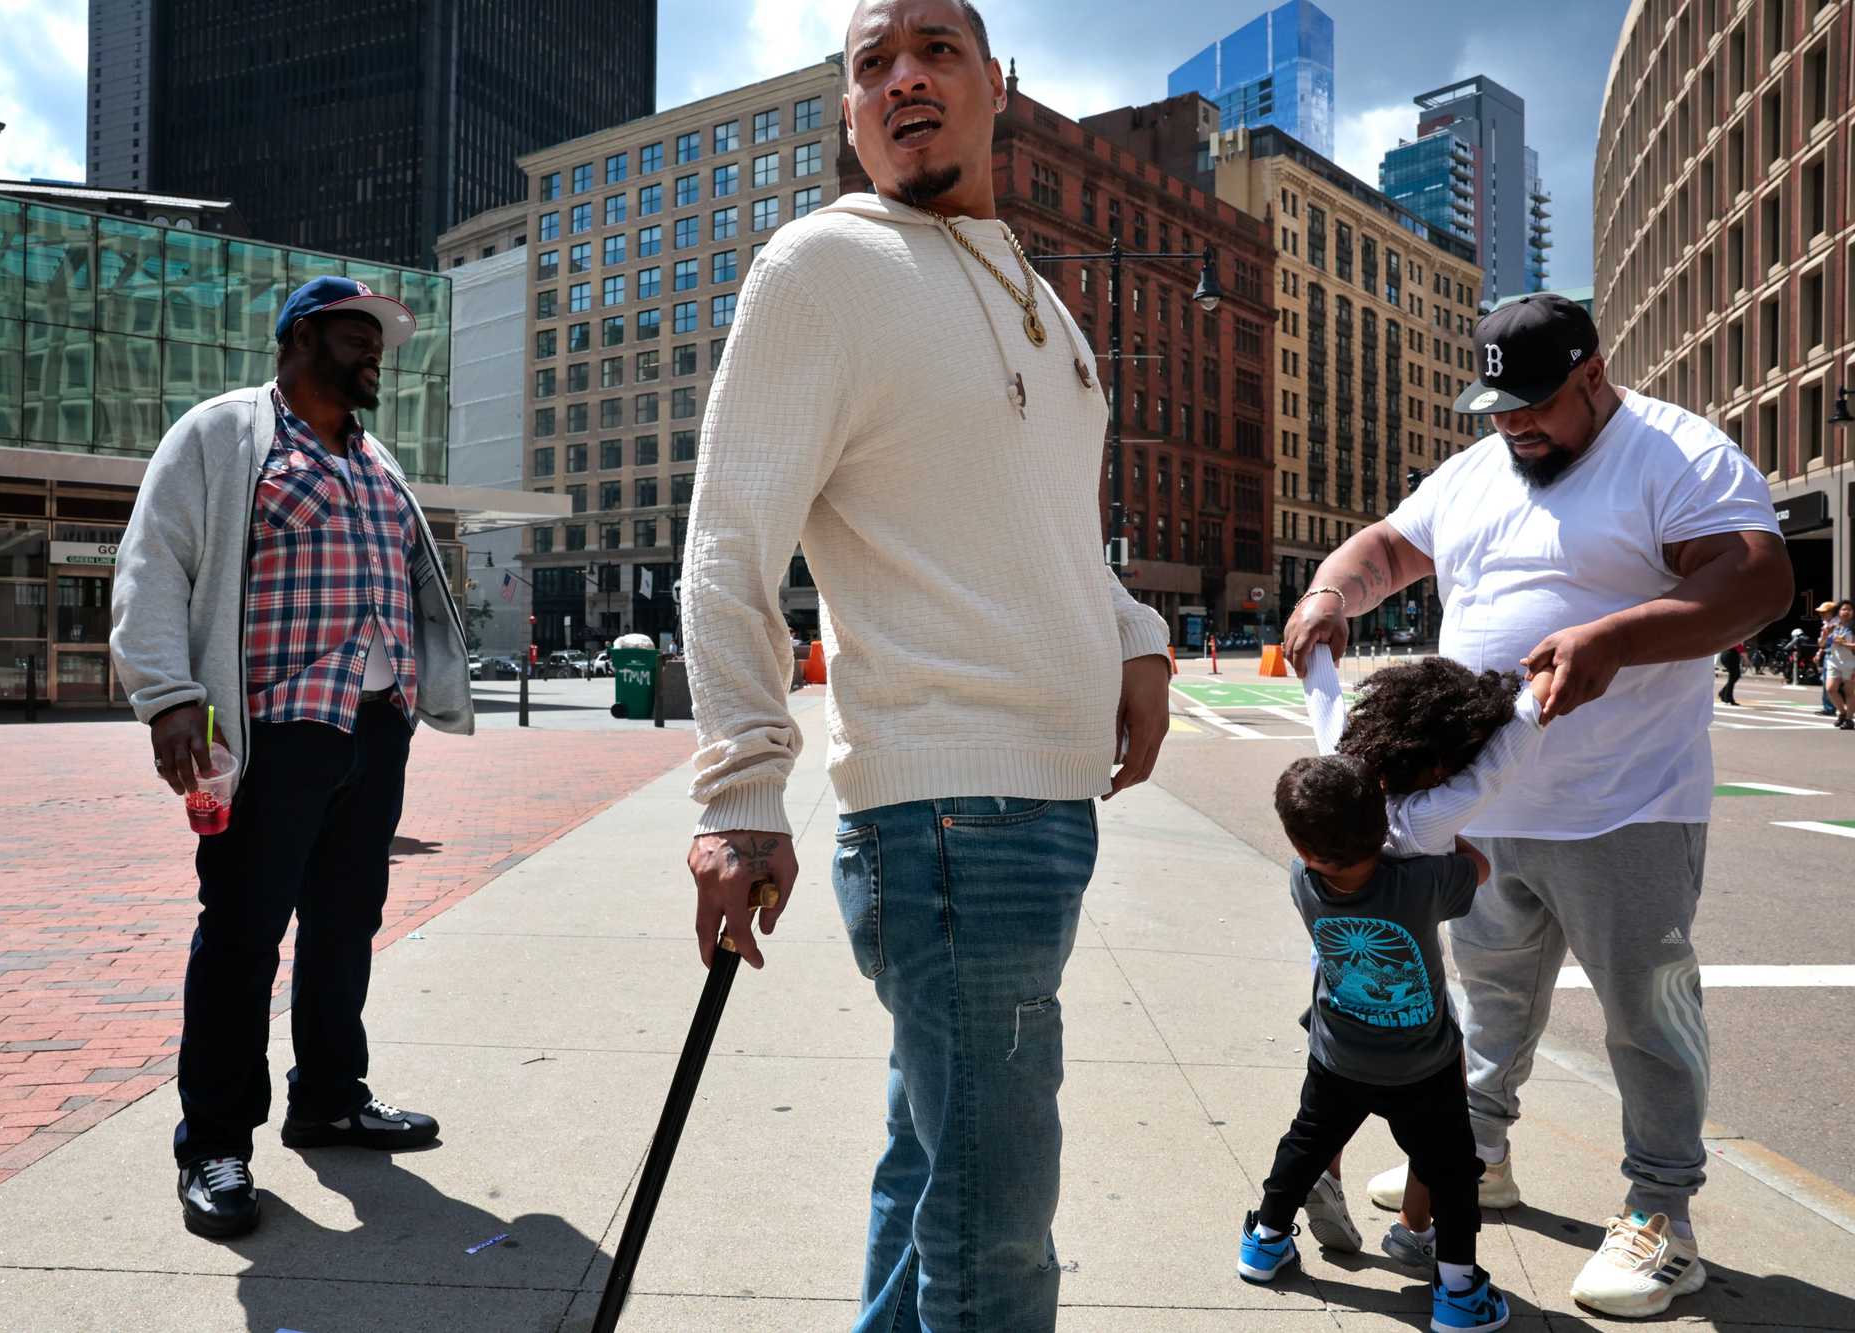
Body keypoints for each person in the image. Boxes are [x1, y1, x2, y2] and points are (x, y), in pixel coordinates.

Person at [679, 3, 1172, 1327]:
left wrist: (1137, 635)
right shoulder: (821, 274)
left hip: (1036, 808)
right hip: (952, 821)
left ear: (996, 84)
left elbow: (1051, 524)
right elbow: (727, 550)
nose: (903, 80)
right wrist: (738, 794)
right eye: (870, 64)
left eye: (934, 50)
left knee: (937, 1185)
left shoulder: (1034, 293)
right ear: (848, 114)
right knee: (996, 1239)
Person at [1283, 293, 1789, 1318]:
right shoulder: (1476, 470)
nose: (1513, 426)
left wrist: (1615, 636)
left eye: (1534, 405)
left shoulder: (1675, 454)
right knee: (1488, 996)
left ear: (1591, 374)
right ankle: (1473, 1154)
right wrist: (1332, 591)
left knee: (1644, 1011)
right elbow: (1385, 548)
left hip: (1624, 803)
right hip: (1478, 806)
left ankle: (1660, 1215)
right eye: (1495, 407)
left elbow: (1755, 581)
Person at [111, 277, 475, 1240]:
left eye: (380, 341)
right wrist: (170, 697)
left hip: (372, 726)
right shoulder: (224, 434)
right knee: (240, 933)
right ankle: (216, 1143)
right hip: (270, 728)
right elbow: (153, 562)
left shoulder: (377, 461)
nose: (375, 354)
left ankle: (329, 1096)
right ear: (301, 339)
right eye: (359, 337)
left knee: (346, 924)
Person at [1296, 650, 1552, 1269]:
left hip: (1333, 980)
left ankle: (1321, 1172)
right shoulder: (1423, 821)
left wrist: (1318, 647)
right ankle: (1415, 1230)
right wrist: (1540, 694)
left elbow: (1327, 704)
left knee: (1327, 1089)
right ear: (1440, 762)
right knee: (1442, 1117)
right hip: (1406, 998)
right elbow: (1495, 767)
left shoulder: (1345, 771)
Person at [1241, 754, 1511, 1333]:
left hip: (1337, 1054)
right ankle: (1459, 1293)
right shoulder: (1420, 883)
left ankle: (1264, 1243)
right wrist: (1434, 832)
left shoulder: (1299, 877)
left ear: (1302, 844)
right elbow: (1480, 869)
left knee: (1304, 1146)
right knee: (1451, 1173)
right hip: (1424, 1067)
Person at [1822, 601, 1855, 728]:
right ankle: (1842, 712)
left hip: (1851, 663)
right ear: (1838, 612)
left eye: (1849, 609)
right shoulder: (1833, 626)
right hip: (1834, 661)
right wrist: (1825, 636)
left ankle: (1849, 719)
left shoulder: (1853, 627)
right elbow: (1822, 644)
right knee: (1830, 689)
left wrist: (1844, 644)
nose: (1846, 612)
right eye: (1843, 609)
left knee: (1849, 692)